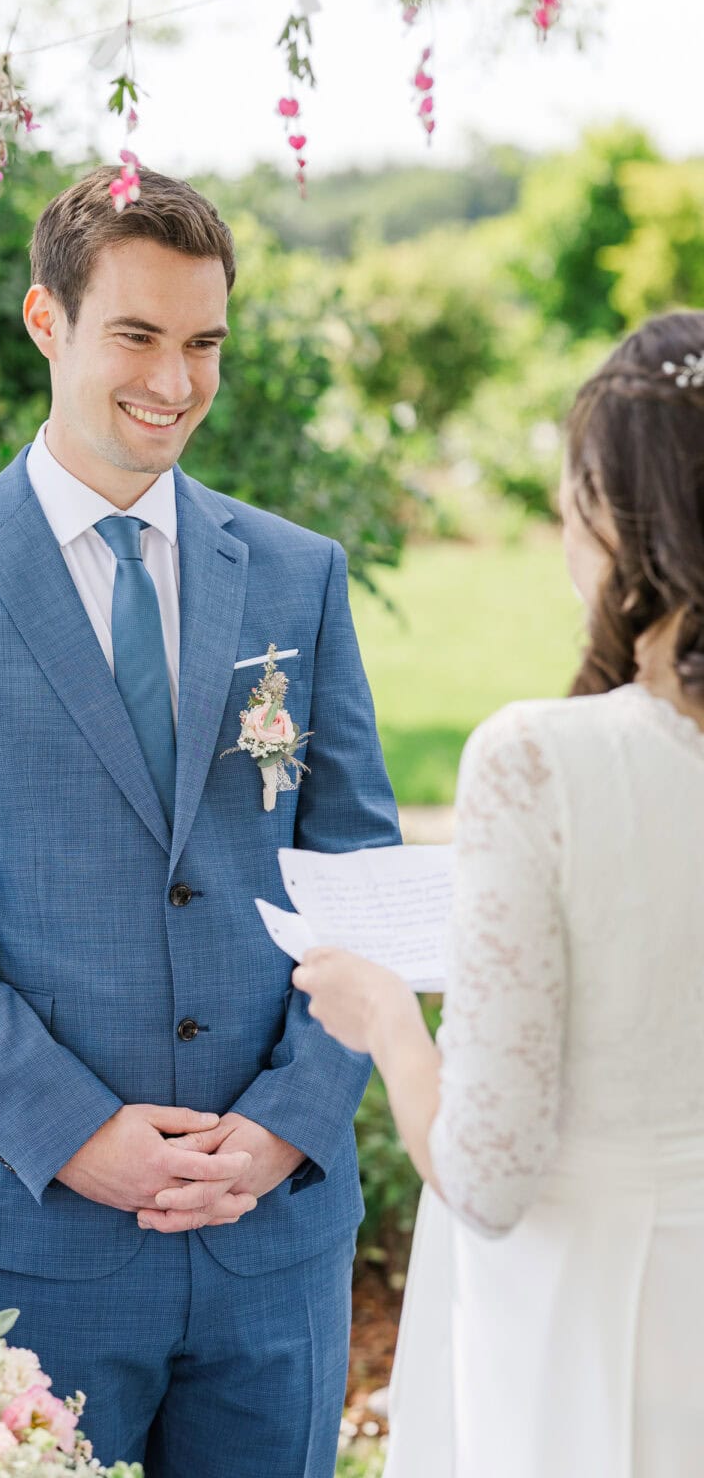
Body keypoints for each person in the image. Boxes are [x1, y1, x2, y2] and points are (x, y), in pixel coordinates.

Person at [0, 165, 400, 1476]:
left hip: (272, 1233)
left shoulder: (298, 576)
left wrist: (289, 1124)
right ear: (46, 322)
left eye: (204, 344)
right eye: (137, 336)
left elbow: (359, 866)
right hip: (22, 1236)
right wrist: (73, 1132)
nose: (177, 381)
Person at [292, 310, 704, 1477]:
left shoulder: (540, 758)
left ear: (616, 514)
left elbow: (488, 1172)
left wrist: (382, 1014)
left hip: (582, 1317)